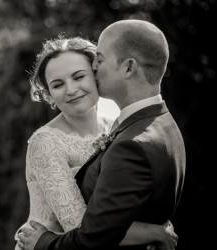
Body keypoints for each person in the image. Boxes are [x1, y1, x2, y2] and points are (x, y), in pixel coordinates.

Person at [14, 33, 179, 250]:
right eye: (57, 85)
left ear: (96, 75)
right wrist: (154, 232)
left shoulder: (115, 123)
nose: (71, 90)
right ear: (49, 96)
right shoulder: (45, 143)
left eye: (79, 76)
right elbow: (81, 226)